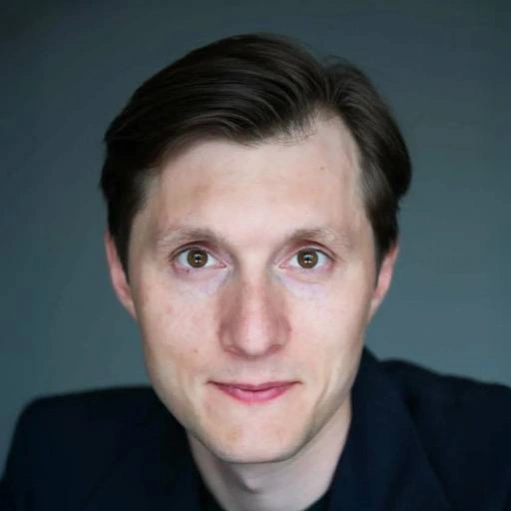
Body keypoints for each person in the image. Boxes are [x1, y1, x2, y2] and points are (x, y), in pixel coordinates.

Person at [1, 33, 510, 511]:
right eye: (196, 258)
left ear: (380, 274)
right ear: (121, 273)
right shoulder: (55, 462)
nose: (252, 336)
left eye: (308, 258)